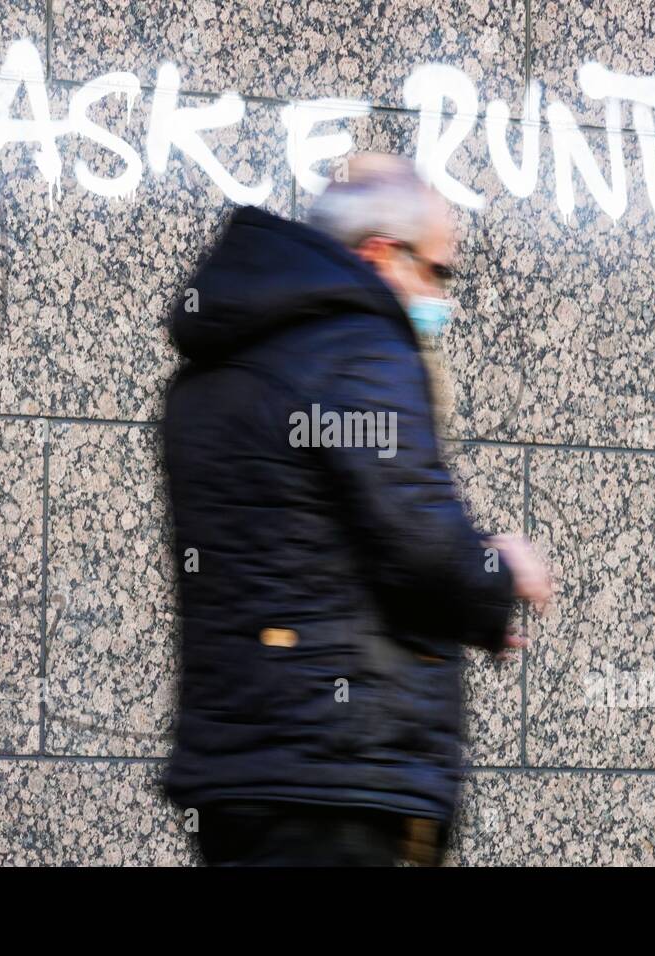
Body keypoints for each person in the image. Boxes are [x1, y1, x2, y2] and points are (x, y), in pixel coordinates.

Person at [161, 154, 552, 866]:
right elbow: (420, 541)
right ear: (380, 253)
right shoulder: (360, 348)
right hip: (340, 772)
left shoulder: (216, 368)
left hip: (239, 772)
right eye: (437, 272)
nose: (440, 299)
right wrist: (499, 572)